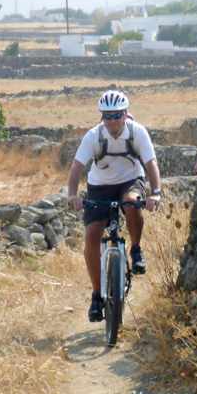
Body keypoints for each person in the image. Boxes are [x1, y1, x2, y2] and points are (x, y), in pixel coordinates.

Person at [67, 90, 162, 322]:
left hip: (131, 180)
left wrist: (156, 193)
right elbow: (77, 167)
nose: (112, 121)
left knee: (131, 204)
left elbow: (151, 163)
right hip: (99, 185)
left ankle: (136, 249)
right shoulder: (93, 136)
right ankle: (97, 296)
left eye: (116, 115)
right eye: (107, 116)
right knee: (91, 236)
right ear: (102, 117)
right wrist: (72, 195)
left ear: (125, 114)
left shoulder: (137, 132)